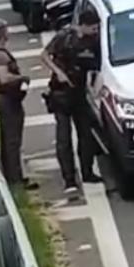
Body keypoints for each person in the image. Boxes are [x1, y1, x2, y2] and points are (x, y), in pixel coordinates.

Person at [42, 12, 102, 194]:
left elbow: (96, 67)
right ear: (83, 25)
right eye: (92, 27)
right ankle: (69, 180)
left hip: (80, 93)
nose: (95, 31)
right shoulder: (65, 36)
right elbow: (44, 55)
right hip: (61, 93)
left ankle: (87, 171)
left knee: (86, 135)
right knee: (63, 138)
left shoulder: (94, 41)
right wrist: (58, 72)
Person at [0, 20, 36, 190]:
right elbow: (3, 78)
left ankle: (12, 176)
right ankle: (15, 180)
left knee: (8, 140)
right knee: (12, 141)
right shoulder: (0, 55)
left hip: (2, 99)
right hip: (8, 100)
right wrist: (21, 78)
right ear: (3, 32)